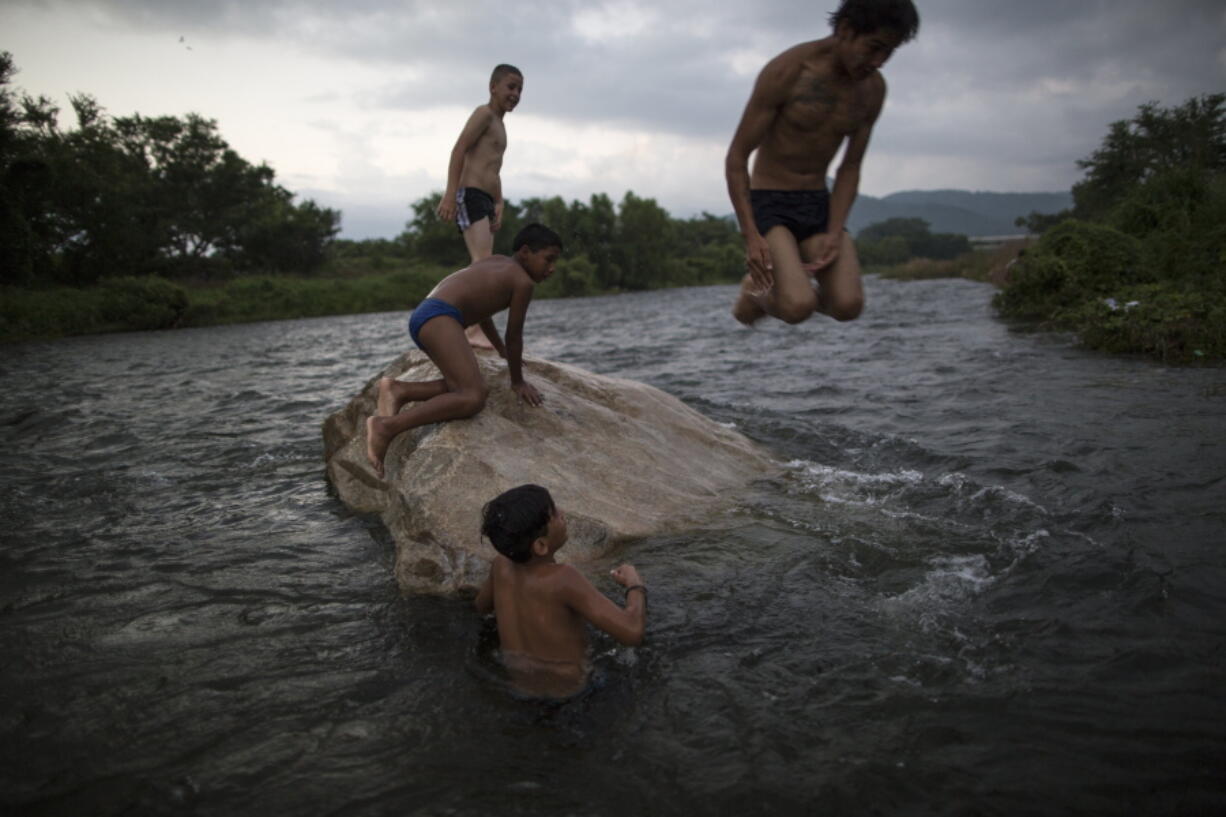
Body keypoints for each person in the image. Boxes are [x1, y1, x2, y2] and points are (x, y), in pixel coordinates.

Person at [725, 0, 919, 326]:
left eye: (888, 53)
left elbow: (850, 168)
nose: (879, 62)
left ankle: (784, 288)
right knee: (798, 306)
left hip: (817, 202)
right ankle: (753, 291)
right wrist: (751, 237)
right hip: (769, 202)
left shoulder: (871, 91)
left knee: (848, 305)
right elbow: (736, 158)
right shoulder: (787, 71)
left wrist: (834, 229)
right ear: (845, 30)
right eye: (873, 48)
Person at [365, 223, 562, 478]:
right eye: (548, 259)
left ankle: (400, 390)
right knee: (472, 397)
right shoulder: (522, 282)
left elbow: (483, 312)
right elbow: (514, 336)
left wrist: (499, 348)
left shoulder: (496, 262)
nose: (552, 268)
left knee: (466, 385)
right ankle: (386, 427)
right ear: (525, 251)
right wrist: (518, 382)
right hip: (440, 318)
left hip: (428, 313)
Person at [475, 484, 647, 698]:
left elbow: (481, 607)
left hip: (519, 690)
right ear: (540, 546)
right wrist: (635, 585)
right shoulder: (563, 578)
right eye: (554, 514)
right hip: (573, 696)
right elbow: (632, 632)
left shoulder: (500, 566)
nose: (562, 513)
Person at [436, 63, 524, 348]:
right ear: (493, 87)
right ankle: (472, 329)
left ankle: (472, 326)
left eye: (520, 89)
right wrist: (450, 194)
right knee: (483, 264)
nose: (516, 94)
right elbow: (459, 149)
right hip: (469, 193)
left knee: (484, 262)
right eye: (511, 87)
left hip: (485, 199)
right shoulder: (483, 114)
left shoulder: (501, 126)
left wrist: (499, 202)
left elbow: (493, 169)